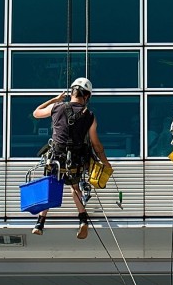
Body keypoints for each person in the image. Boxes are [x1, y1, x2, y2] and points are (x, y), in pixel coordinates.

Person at [30, 77, 111, 240]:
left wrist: (55, 99)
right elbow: (96, 145)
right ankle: (82, 219)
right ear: (87, 96)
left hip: (55, 159)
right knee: (75, 188)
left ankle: (40, 222)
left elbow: (36, 113)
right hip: (75, 161)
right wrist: (106, 163)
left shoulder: (56, 107)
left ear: (72, 92)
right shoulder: (89, 115)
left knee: (51, 186)